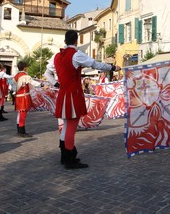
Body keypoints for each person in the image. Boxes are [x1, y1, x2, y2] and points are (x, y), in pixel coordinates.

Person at [48, 30, 120, 169]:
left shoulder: (57, 56)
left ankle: (64, 156)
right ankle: (69, 159)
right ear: (76, 41)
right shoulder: (76, 55)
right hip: (73, 94)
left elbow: (47, 71)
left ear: (65, 41)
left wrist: (56, 83)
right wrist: (112, 67)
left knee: (66, 124)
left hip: (63, 93)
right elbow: (95, 64)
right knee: (71, 126)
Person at [13, 61, 43, 138]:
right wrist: (42, 85)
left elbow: (13, 88)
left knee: (20, 113)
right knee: (23, 113)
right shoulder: (25, 76)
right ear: (25, 67)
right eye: (27, 67)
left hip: (18, 96)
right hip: (24, 97)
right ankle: (22, 131)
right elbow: (33, 82)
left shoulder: (16, 76)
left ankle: (19, 130)